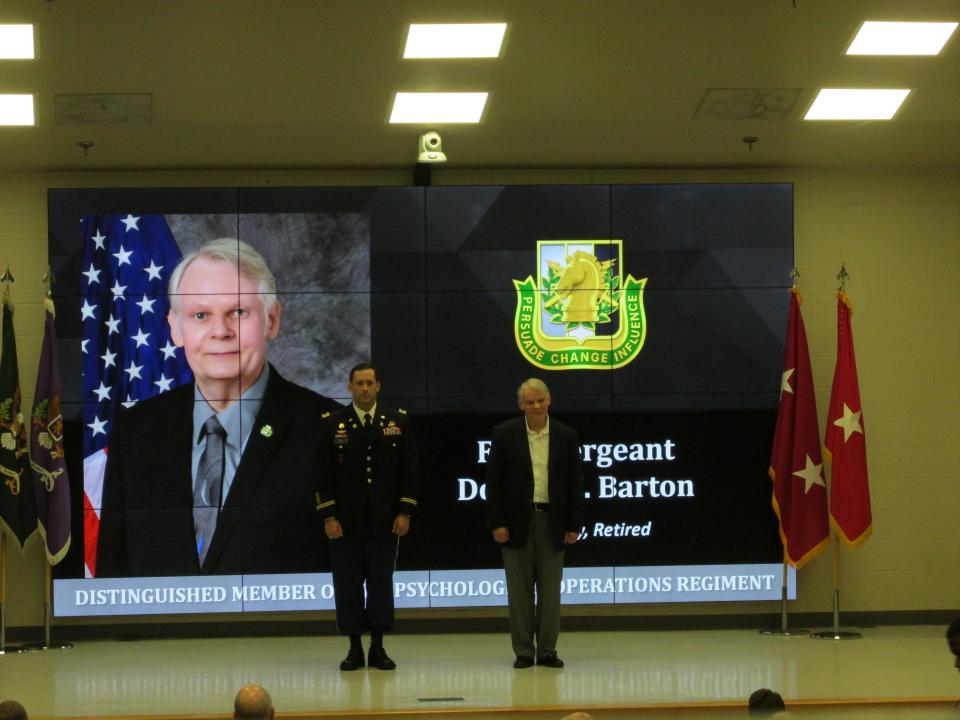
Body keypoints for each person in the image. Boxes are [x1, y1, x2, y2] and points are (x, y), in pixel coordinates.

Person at [96, 239, 339, 577]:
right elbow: (114, 580)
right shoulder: (136, 433)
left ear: (272, 320)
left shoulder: (330, 429)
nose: (220, 332)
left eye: (238, 313)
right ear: (175, 328)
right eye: (200, 315)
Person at [317, 363, 420, 671]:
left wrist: (405, 511)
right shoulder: (333, 423)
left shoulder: (397, 422)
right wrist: (328, 516)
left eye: (369, 383)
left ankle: (378, 647)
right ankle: (353, 649)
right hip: (345, 524)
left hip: (384, 521)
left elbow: (410, 470)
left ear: (378, 387)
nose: (364, 388)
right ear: (349, 388)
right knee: (347, 585)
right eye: (358, 383)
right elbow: (321, 474)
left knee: (380, 584)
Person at [485, 378, 583, 669]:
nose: (536, 406)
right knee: (519, 592)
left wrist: (574, 524)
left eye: (540, 400)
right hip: (516, 524)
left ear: (549, 400)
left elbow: (575, 484)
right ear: (521, 405)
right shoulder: (504, 434)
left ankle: (548, 651)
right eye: (530, 402)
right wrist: (497, 522)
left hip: (553, 522)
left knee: (551, 592)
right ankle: (524, 651)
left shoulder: (566, 435)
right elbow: (494, 484)